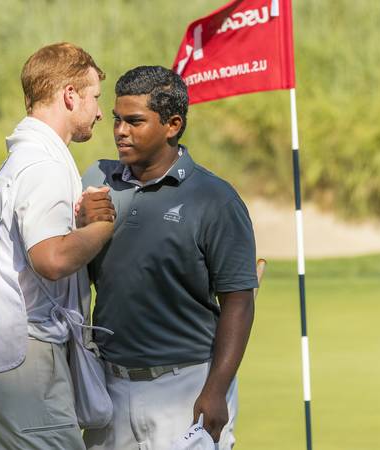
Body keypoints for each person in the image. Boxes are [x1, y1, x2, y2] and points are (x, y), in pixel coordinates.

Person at [79, 66, 258, 450]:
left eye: (135, 121)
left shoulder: (215, 199)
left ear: (172, 124)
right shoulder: (97, 180)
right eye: (116, 119)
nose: (120, 131)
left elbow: (239, 302)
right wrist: (82, 224)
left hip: (187, 388)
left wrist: (216, 390)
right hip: (108, 388)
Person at [0, 42, 117, 450]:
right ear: (70, 95)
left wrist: (82, 226)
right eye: (93, 98)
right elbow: (51, 259)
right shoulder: (43, 164)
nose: (99, 111)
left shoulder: (27, 157)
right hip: (29, 359)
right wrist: (103, 226)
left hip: (14, 354)